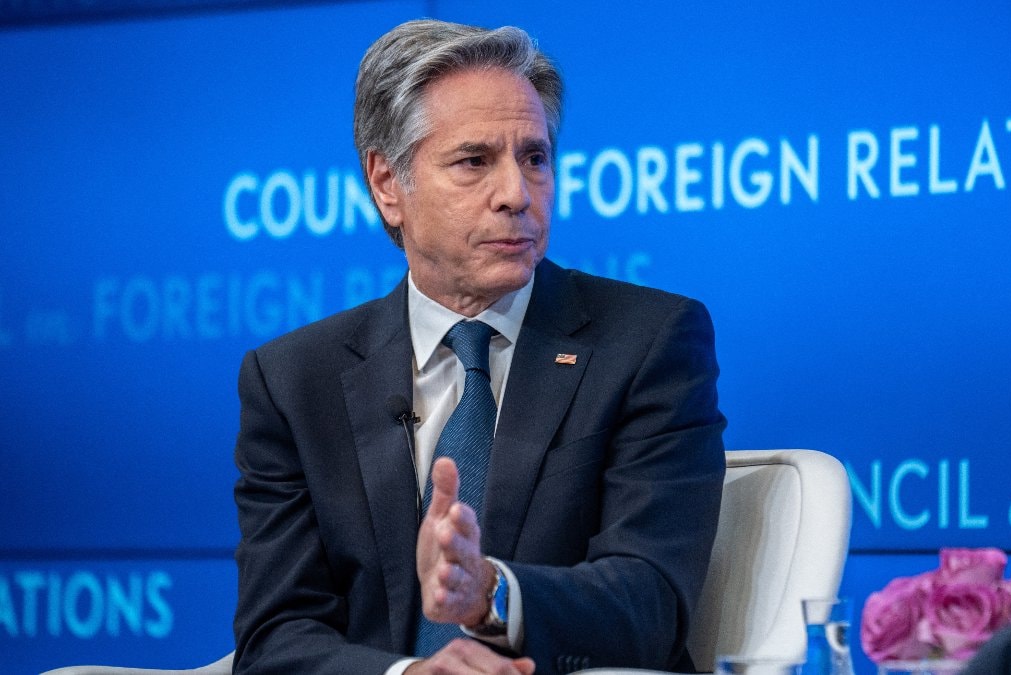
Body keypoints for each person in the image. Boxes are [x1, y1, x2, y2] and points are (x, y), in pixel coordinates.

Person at [232, 19, 726, 675]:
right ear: (387, 183)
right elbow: (275, 636)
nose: (517, 195)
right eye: (474, 161)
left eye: (535, 158)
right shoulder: (294, 381)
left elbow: (651, 601)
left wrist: (492, 593)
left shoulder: (647, 342)